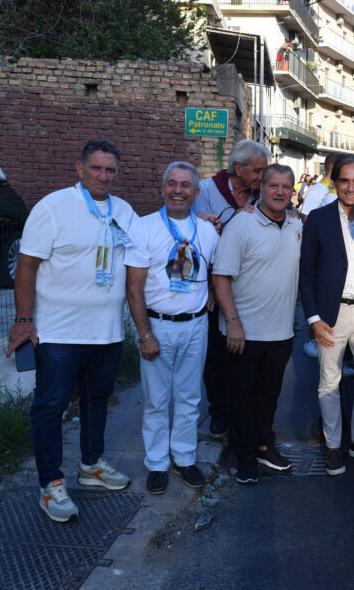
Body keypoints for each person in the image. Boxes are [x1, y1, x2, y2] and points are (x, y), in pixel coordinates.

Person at [6, 140, 136, 523]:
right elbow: (26, 266)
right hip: (60, 333)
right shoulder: (52, 208)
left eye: (110, 170)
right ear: (79, 168)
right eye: (96, 168)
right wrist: (24, 319)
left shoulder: (124, 211)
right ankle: (51, 484)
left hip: (108, 331)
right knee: (50, 406)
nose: (103, 176)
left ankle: (92, 465)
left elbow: (149, 247)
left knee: (97, 401)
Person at [125, 162, 218, 495]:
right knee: (156, 400)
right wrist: (144, 333)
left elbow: (213, 272)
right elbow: (133, 287)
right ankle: (156, 463)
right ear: (162, 188)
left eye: (185, 186)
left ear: (195, 192)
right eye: (172, 184)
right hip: (158, 327)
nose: (178, 191)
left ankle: (184, 457)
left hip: (196, 326)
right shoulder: (144, 228)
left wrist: (209, 296)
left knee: (190, 397)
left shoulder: (206, 231)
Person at [211, 164, 303, 485]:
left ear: (292, 192)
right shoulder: (242, 224)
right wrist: (233, 321)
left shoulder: (295, 226)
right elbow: (220, 276)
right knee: (241, 398)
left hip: (281, 333)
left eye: (286, 187)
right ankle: (245, 458)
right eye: (273, 185)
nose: (280, 192)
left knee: (268, 397)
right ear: (260, 188)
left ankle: (264, 446)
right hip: (243, 334)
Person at [299, 155, 354, 476]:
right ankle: (334, 445)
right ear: (334, 182)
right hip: (330, 313)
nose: (351, 187)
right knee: (329, 383)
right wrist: (312, 319)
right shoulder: (319, 219)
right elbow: (306, 273)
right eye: (344, 181)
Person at [194, 139, 270, 442]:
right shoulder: (207, 191)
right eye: (257, 170)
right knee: (217, 355)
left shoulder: (259, 194)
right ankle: (219, 412)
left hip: (250, 288)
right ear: (238, 169)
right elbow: (194, 239)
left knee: (246, 353)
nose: (262, 177)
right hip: (214, 286)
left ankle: (245, 410)